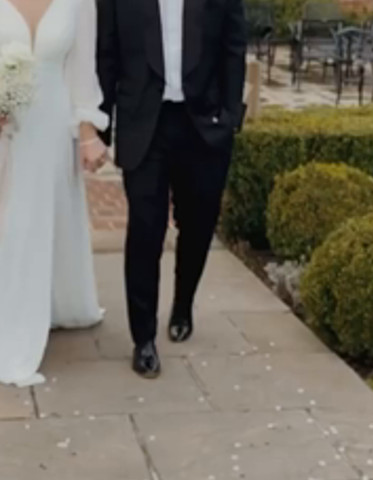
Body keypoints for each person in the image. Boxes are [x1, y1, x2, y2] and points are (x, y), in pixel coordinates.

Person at [0, 0, 111, 387]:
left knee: (33, 220)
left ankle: (39, 306)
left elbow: (81, 71)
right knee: (1, 223)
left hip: (48, 124)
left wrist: (87, 133)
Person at [97, 0, 247, 378]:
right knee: (146, 229)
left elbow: (233, 45)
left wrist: (230, 117)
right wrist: (98, 129)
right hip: (144, 124)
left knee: (198, 223)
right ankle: (143, 337)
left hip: (203, 123)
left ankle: (183, 303)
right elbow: (107, 54)